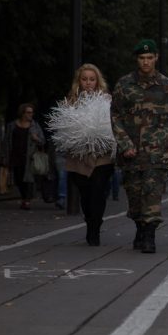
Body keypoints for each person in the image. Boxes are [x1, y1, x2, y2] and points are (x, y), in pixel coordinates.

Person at [111, 39, 168, 253]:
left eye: (149, 58)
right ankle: (140, 227)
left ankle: (149, 236)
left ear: (156, 58)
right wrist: (124, 143)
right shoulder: (124, 85)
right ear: (137, 60)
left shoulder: (167, 86)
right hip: (131, 154)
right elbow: (115, 117)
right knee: (135, 199)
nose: (146, 62)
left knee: (153, 196)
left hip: (158, 153)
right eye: (142, 58)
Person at [64, 63, 116, 246]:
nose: (88, 83)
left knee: (98, 190)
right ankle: (91, 221)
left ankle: (95, 228)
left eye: (92, 79)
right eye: (84, 79)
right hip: (79, 157)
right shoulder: (70, 102)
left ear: (97, 81)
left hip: (103, 155)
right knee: (86, 194)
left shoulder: (107, 100)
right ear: (79, 81)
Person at [1, 103, 45, 210]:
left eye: (32, 112)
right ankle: (24, 197)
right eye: (28, 112)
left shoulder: (34, 125)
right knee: (18, 179)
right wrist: (4, 156)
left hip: (29, 157)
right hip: (15, 156)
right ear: (22, 113)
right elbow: (6, 141)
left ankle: (27, 201)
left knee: (28, 180)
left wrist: (36, 139)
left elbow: (43, 141)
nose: (31, 114)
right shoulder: (12, 125)